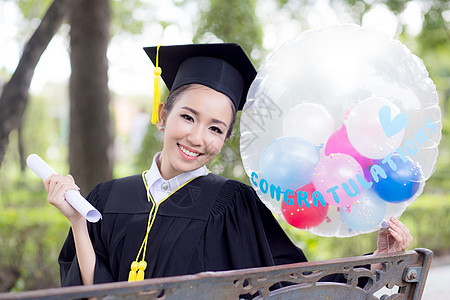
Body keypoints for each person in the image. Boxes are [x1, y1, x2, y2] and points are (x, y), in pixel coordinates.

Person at [44, 43, 413, 288]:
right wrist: (78, 222)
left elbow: (291, 284)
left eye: (216, 128)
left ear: (224, 140)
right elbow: (96, 294)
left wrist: (376, 264)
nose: (198, 138)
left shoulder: (233, 204)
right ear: (162, 115)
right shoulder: (106, 199)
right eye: (188, 117)